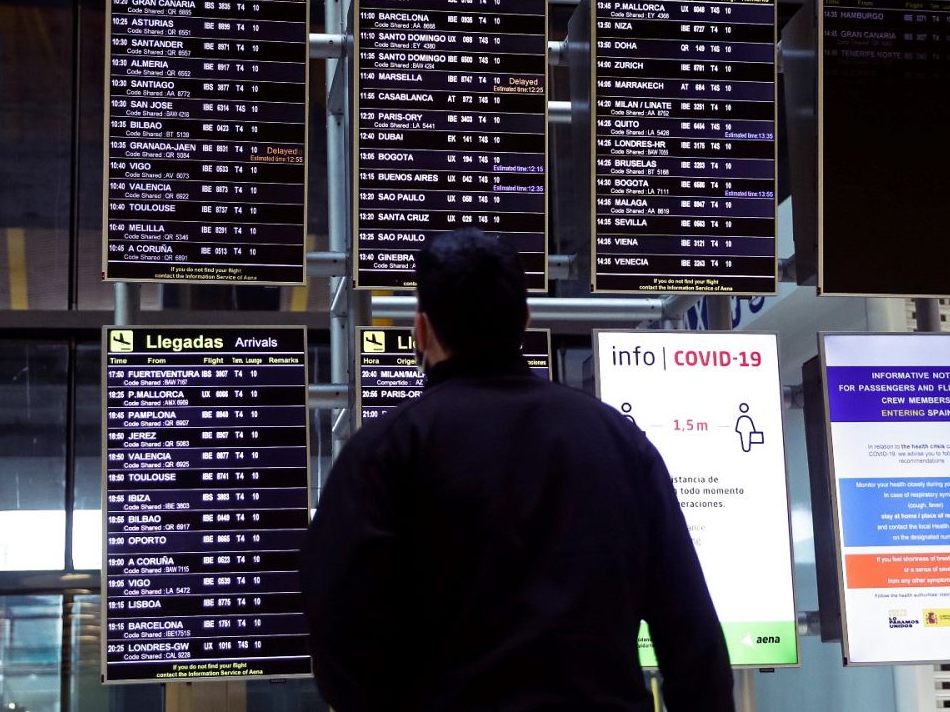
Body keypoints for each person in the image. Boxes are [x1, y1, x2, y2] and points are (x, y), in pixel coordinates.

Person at [301, 228, 734, 711]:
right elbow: (690, 633)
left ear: (422, 331)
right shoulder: (619, 442)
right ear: (524, 321)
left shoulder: (384, 451)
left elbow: (336, 626)